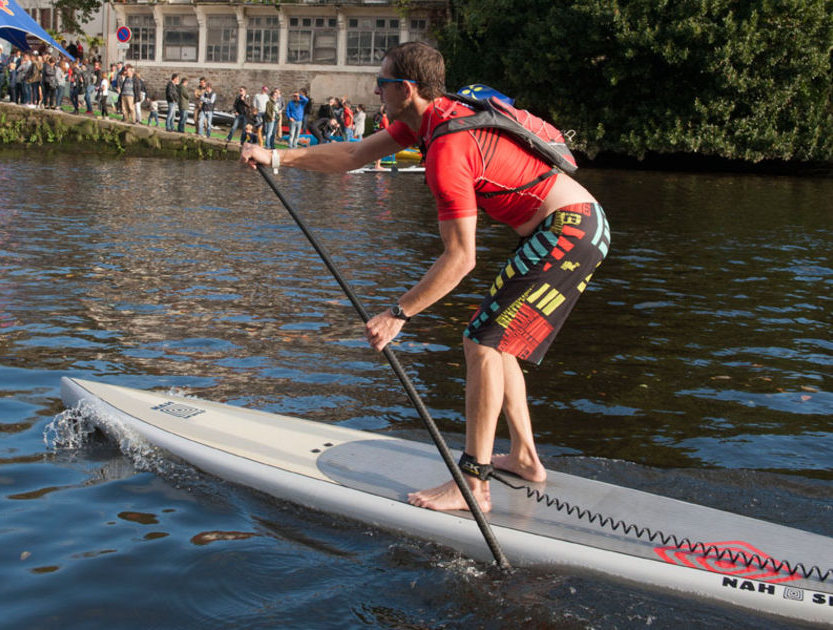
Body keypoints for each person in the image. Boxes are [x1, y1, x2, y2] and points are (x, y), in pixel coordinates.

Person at [240, 41, 611, 514]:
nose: (375, 91)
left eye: (382, 84)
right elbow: (354, 155)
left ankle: (472, 483)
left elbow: (461, 259)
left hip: (571, 230)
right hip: (572, 227)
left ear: (407, 89)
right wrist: (276, 158)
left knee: (482, 342)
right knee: (499, 341)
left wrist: (399, 314)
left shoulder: (447, 149)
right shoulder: (428, 120)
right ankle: (524, 458)